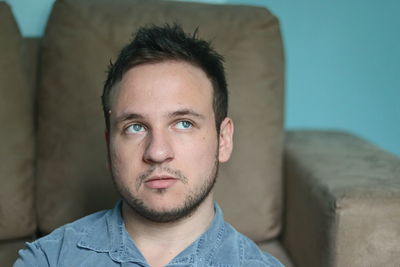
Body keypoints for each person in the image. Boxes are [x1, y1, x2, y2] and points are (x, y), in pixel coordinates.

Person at [15, 24, 283, 267]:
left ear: (223, 140)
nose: (157, 152)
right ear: (109, 147)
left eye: (183, 123)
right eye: (135, 127)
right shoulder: (49, 258)